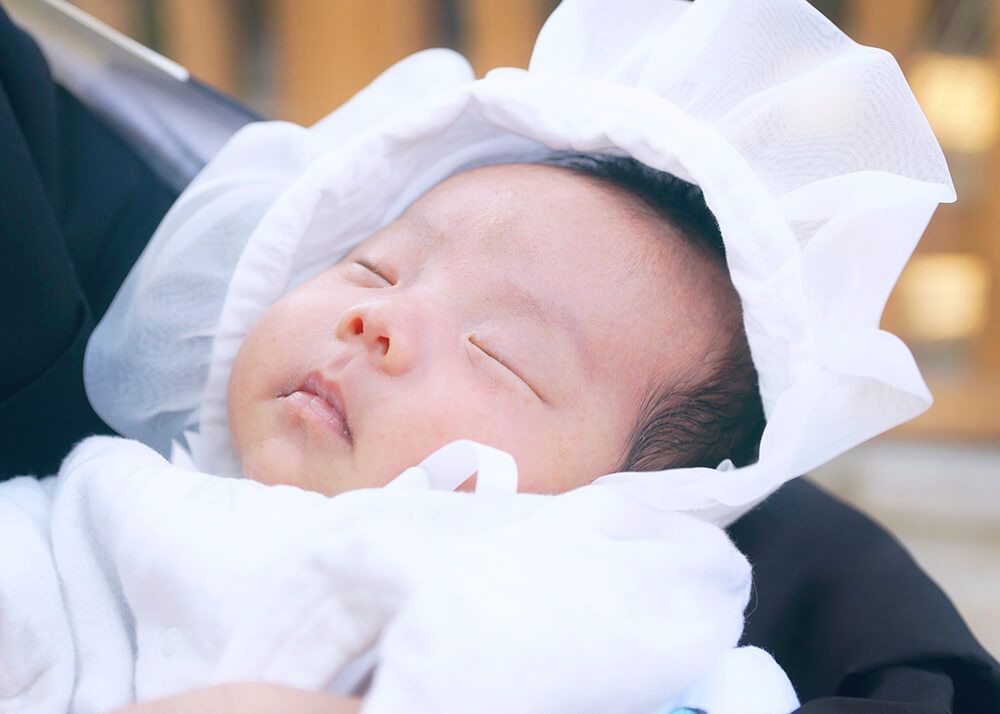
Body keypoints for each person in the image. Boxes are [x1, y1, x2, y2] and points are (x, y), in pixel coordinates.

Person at [3, 0, 999, 712]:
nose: (377, 322)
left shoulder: (599, 574)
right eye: (374, 270)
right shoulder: (111, 495)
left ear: (623, 493)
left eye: (497, 354)